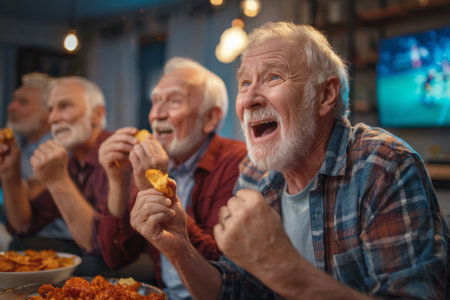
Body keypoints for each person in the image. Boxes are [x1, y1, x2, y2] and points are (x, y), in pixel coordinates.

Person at [130, 22, 449, 299]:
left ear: (325, 96)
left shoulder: (383, 166)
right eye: (244, 82)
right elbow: (236, 290)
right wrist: (179, 247)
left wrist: (283, 267)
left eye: (272, 77)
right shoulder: (255, 174)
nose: (250, 99)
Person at [96, 57, 247, 299]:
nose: (156, 114)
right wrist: (118, 180)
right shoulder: (157, 160)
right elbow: (116, 258)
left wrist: (155, 184)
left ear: (210, 118)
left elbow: (221, 268)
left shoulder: (238, 162)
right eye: (155, 101)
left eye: (174, 101)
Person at [0, 76, 129, 275]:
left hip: (131, 262)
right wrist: (10, 173)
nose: (53, 118)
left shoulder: (118, 154)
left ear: (97, 115)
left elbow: (100, 246)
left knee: (90, 264)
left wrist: (57, 180)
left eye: (64, 107)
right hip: (93, 253)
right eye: (51, 109)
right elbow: (25, 224)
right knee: (19, 246)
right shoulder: (73, 161)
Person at [6, 72, 53, 188]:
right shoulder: (15, 141)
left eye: (23, 102)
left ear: (48, 112)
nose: (11, 107)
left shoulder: (58, 154)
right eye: (14, 100)